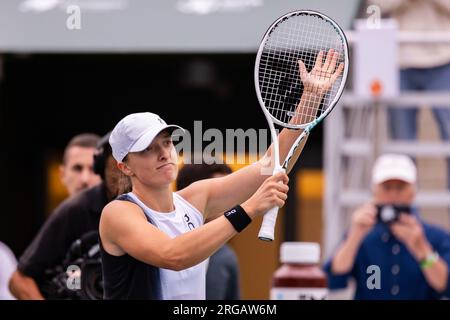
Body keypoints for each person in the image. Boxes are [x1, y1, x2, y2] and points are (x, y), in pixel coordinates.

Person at [99, 49, 344, 299]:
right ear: (125, 167)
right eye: (148, 149)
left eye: (166, 142)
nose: (163, 153)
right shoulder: (118, 213)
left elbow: (272, 164)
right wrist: (249, 209)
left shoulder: (195, 197)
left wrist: (311, 99)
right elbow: (172, 255)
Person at [9, 133, 124, 299]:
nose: (85, 179)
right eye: (77, 168)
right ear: (62, 174)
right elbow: (19, 280)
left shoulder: (131, 205)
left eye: (92, 169)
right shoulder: (74, 210)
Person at [324, 154, 450, 299]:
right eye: (387, 187)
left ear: (413, 191)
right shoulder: (363, 236)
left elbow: (445, 284)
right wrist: (355, 235)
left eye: (400, 187)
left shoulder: (434, 237)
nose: (393, 194)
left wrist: (422, 249)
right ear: (375, 191)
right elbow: (333, 279)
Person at [368, 0, 450, 191]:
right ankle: (404, 214)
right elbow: (377, 5)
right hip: (400, 60)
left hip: (444, 58)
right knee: (402, 150)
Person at [176, 163, 240, 300]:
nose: (230, 203)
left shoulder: (226, 256)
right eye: (222, 194)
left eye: (231, 195)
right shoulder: (159, 240)